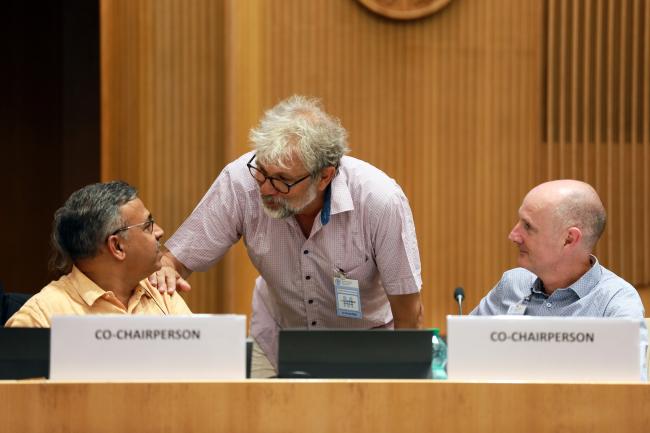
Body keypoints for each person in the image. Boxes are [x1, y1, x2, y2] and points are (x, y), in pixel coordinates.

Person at [152, 95, 424, 377]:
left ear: (325, 176)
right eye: (262, 172)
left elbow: (408, 313)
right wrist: (167, 271)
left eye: (282, 180)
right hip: (277, 338)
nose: (266, 189)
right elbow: (174, 262)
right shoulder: (241, 181)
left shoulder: (380, 201)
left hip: (369, 344)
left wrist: (402, 383)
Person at [471, 179, 647, 379]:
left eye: (528, 226)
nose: (513, 235)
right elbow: (460, 356)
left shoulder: (614, 303)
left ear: (569, 239)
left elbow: (631, 394)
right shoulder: (513, 284)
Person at [6, 181, 191, 327]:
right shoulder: (41, 317)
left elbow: (198, 365)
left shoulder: (160, 292)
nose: (160, 231)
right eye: (148, 225)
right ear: (117, 246)